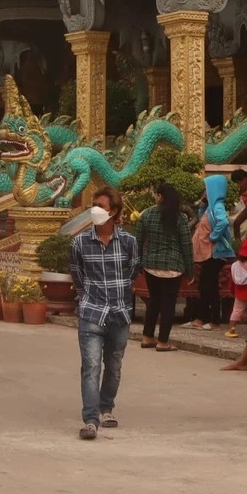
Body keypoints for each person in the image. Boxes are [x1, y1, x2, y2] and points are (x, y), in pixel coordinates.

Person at [70, 186, 137, 440]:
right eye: (94, 205)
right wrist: (87, 296)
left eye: (101, 206)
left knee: (115, 365)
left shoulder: (128, 242)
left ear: (114, 211)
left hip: (119, 313)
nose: (95, 210)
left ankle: (106, 407)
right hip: (91, 312)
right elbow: (77, 275)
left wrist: (120, 296)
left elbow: (132, 272)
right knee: (91, 366)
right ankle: (90, 419)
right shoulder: (79, 242)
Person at [133, 181, 194, 351]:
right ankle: (163, 341)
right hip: (173, 267)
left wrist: (138, 264)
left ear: (160, 196)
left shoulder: (146, 214)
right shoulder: (180, 217)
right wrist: (190, 271)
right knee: (168, 304)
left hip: (150, 265)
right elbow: (186, 245)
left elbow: (138, 242)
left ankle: (147, 337)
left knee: (153, 301)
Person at [186, 173, 234, 330]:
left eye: (207, 189)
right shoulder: (210, 206)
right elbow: (203, 219)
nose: (204, 192)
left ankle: (213, 320)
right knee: (205, 285)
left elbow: (223, 222)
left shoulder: (218, 206)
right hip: (208, 253)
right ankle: (202, 318)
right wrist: (202, 204)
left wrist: (214, 236)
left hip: (215, 253)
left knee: (210, 286)